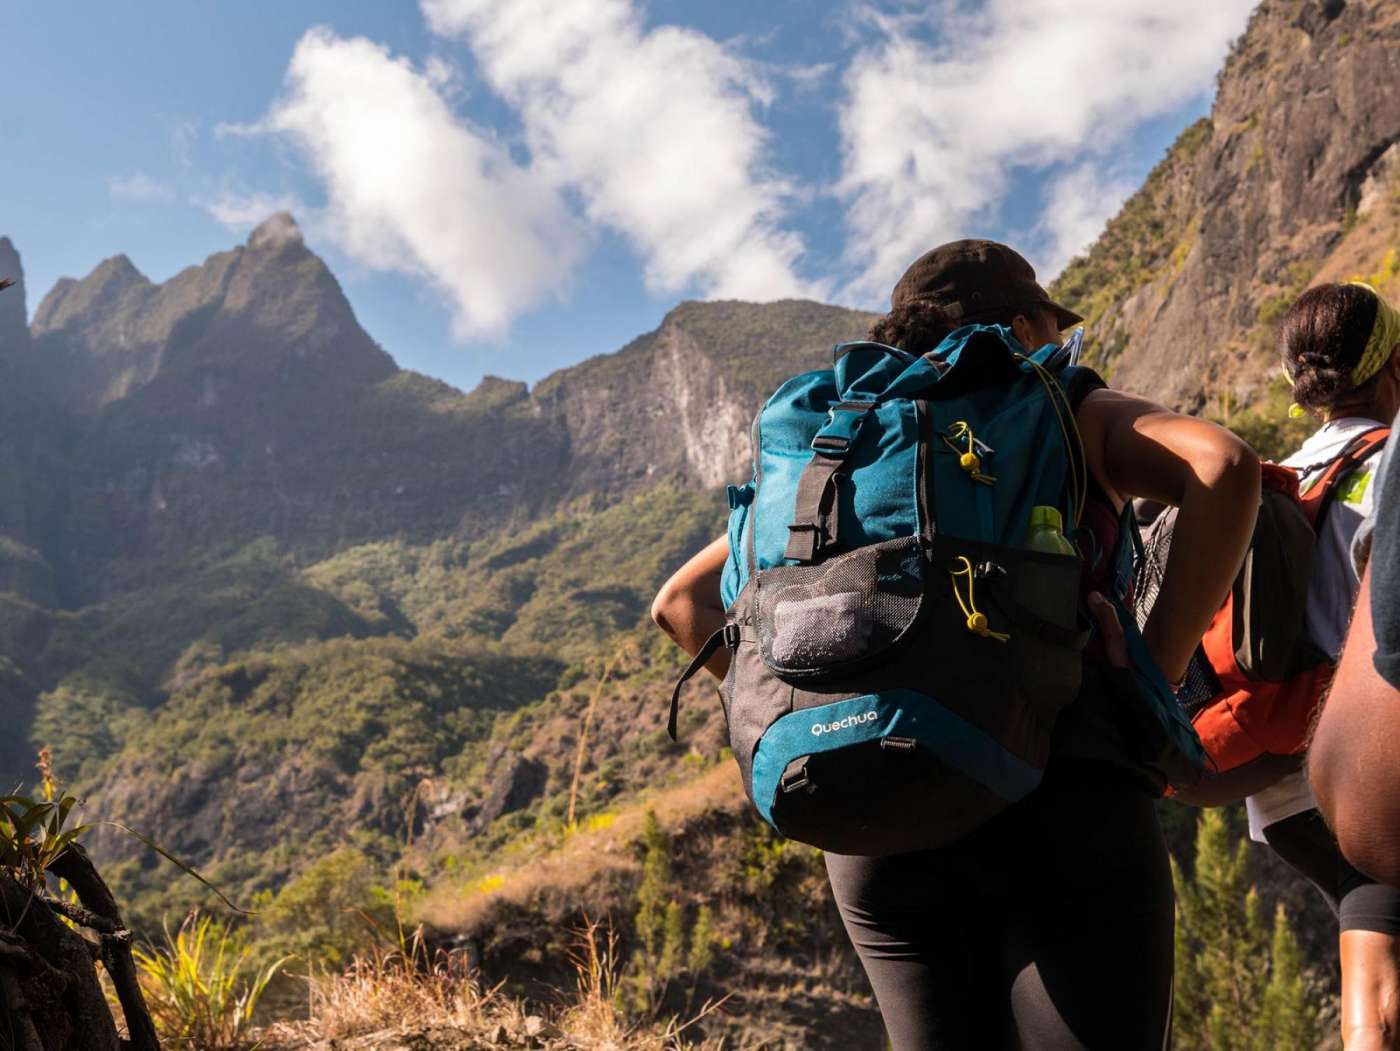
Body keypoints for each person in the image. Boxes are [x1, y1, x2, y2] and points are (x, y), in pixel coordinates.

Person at [652, 240, 1260, 1049]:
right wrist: (1157, 665)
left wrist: (802, 696)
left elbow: (681, 602)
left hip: (870, 812)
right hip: (1059, 776)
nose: (1063, 342)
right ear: (1017, 323)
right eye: (1053, 323)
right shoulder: (1058, 402)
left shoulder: (841, 451)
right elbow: (1223, 464)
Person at [1238, 283, 1400, 1051]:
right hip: (1374, 759)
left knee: (1371, 959)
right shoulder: (1389, 462)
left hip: (1277, 787)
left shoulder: (1274, 475)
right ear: (1393, 363)